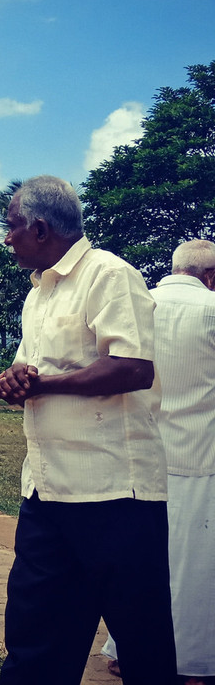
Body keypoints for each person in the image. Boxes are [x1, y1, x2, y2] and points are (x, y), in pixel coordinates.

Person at [0, 175, 176, 685]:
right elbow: (32, 369)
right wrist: (16, 379)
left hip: (115, 495)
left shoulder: (109, 276)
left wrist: (43, 383)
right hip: (47, 492)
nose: (7, 238)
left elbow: (134, 367)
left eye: (12, 227)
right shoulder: (38, 295)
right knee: (35, 636)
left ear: (42, 229)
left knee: (142, 641)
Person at [103, 239, 215, 684]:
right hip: (200, 453)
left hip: (142, 452)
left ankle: (123, 650)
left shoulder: (141, 304)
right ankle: (190, 662)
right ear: (211, 276)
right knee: (194, 561)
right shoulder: (210, 310)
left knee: (144, 561)